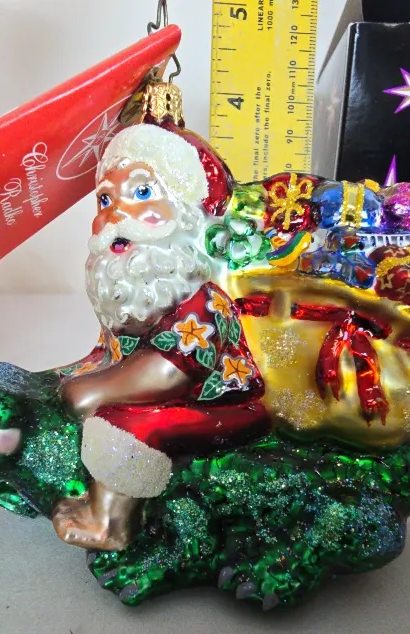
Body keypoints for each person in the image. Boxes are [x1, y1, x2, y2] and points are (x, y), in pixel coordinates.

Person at [52, 121, 270, 551]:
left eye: (141, 192)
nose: (115, 213)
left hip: (229, 406)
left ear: (184, 213)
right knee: (90, 401)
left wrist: (91, 390)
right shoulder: (132, 303)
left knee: (126, 424)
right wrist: (79, 376)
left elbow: (170, 373)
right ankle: (91, 497)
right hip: (184, 398)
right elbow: (110, 355)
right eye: (105, 199)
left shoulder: (202, 301)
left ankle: (111, 526)